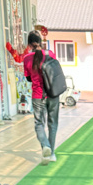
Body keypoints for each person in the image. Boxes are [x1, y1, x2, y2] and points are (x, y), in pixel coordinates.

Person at [24, 31, 58, 162]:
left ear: (29, 44)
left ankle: (45, 146)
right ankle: (52, 154)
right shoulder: (50, 54)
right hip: (53, 94)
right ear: (41, 41)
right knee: (52, 123)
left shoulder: (27, 58)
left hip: (38, 96)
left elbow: (28, 78)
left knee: (39, 124)